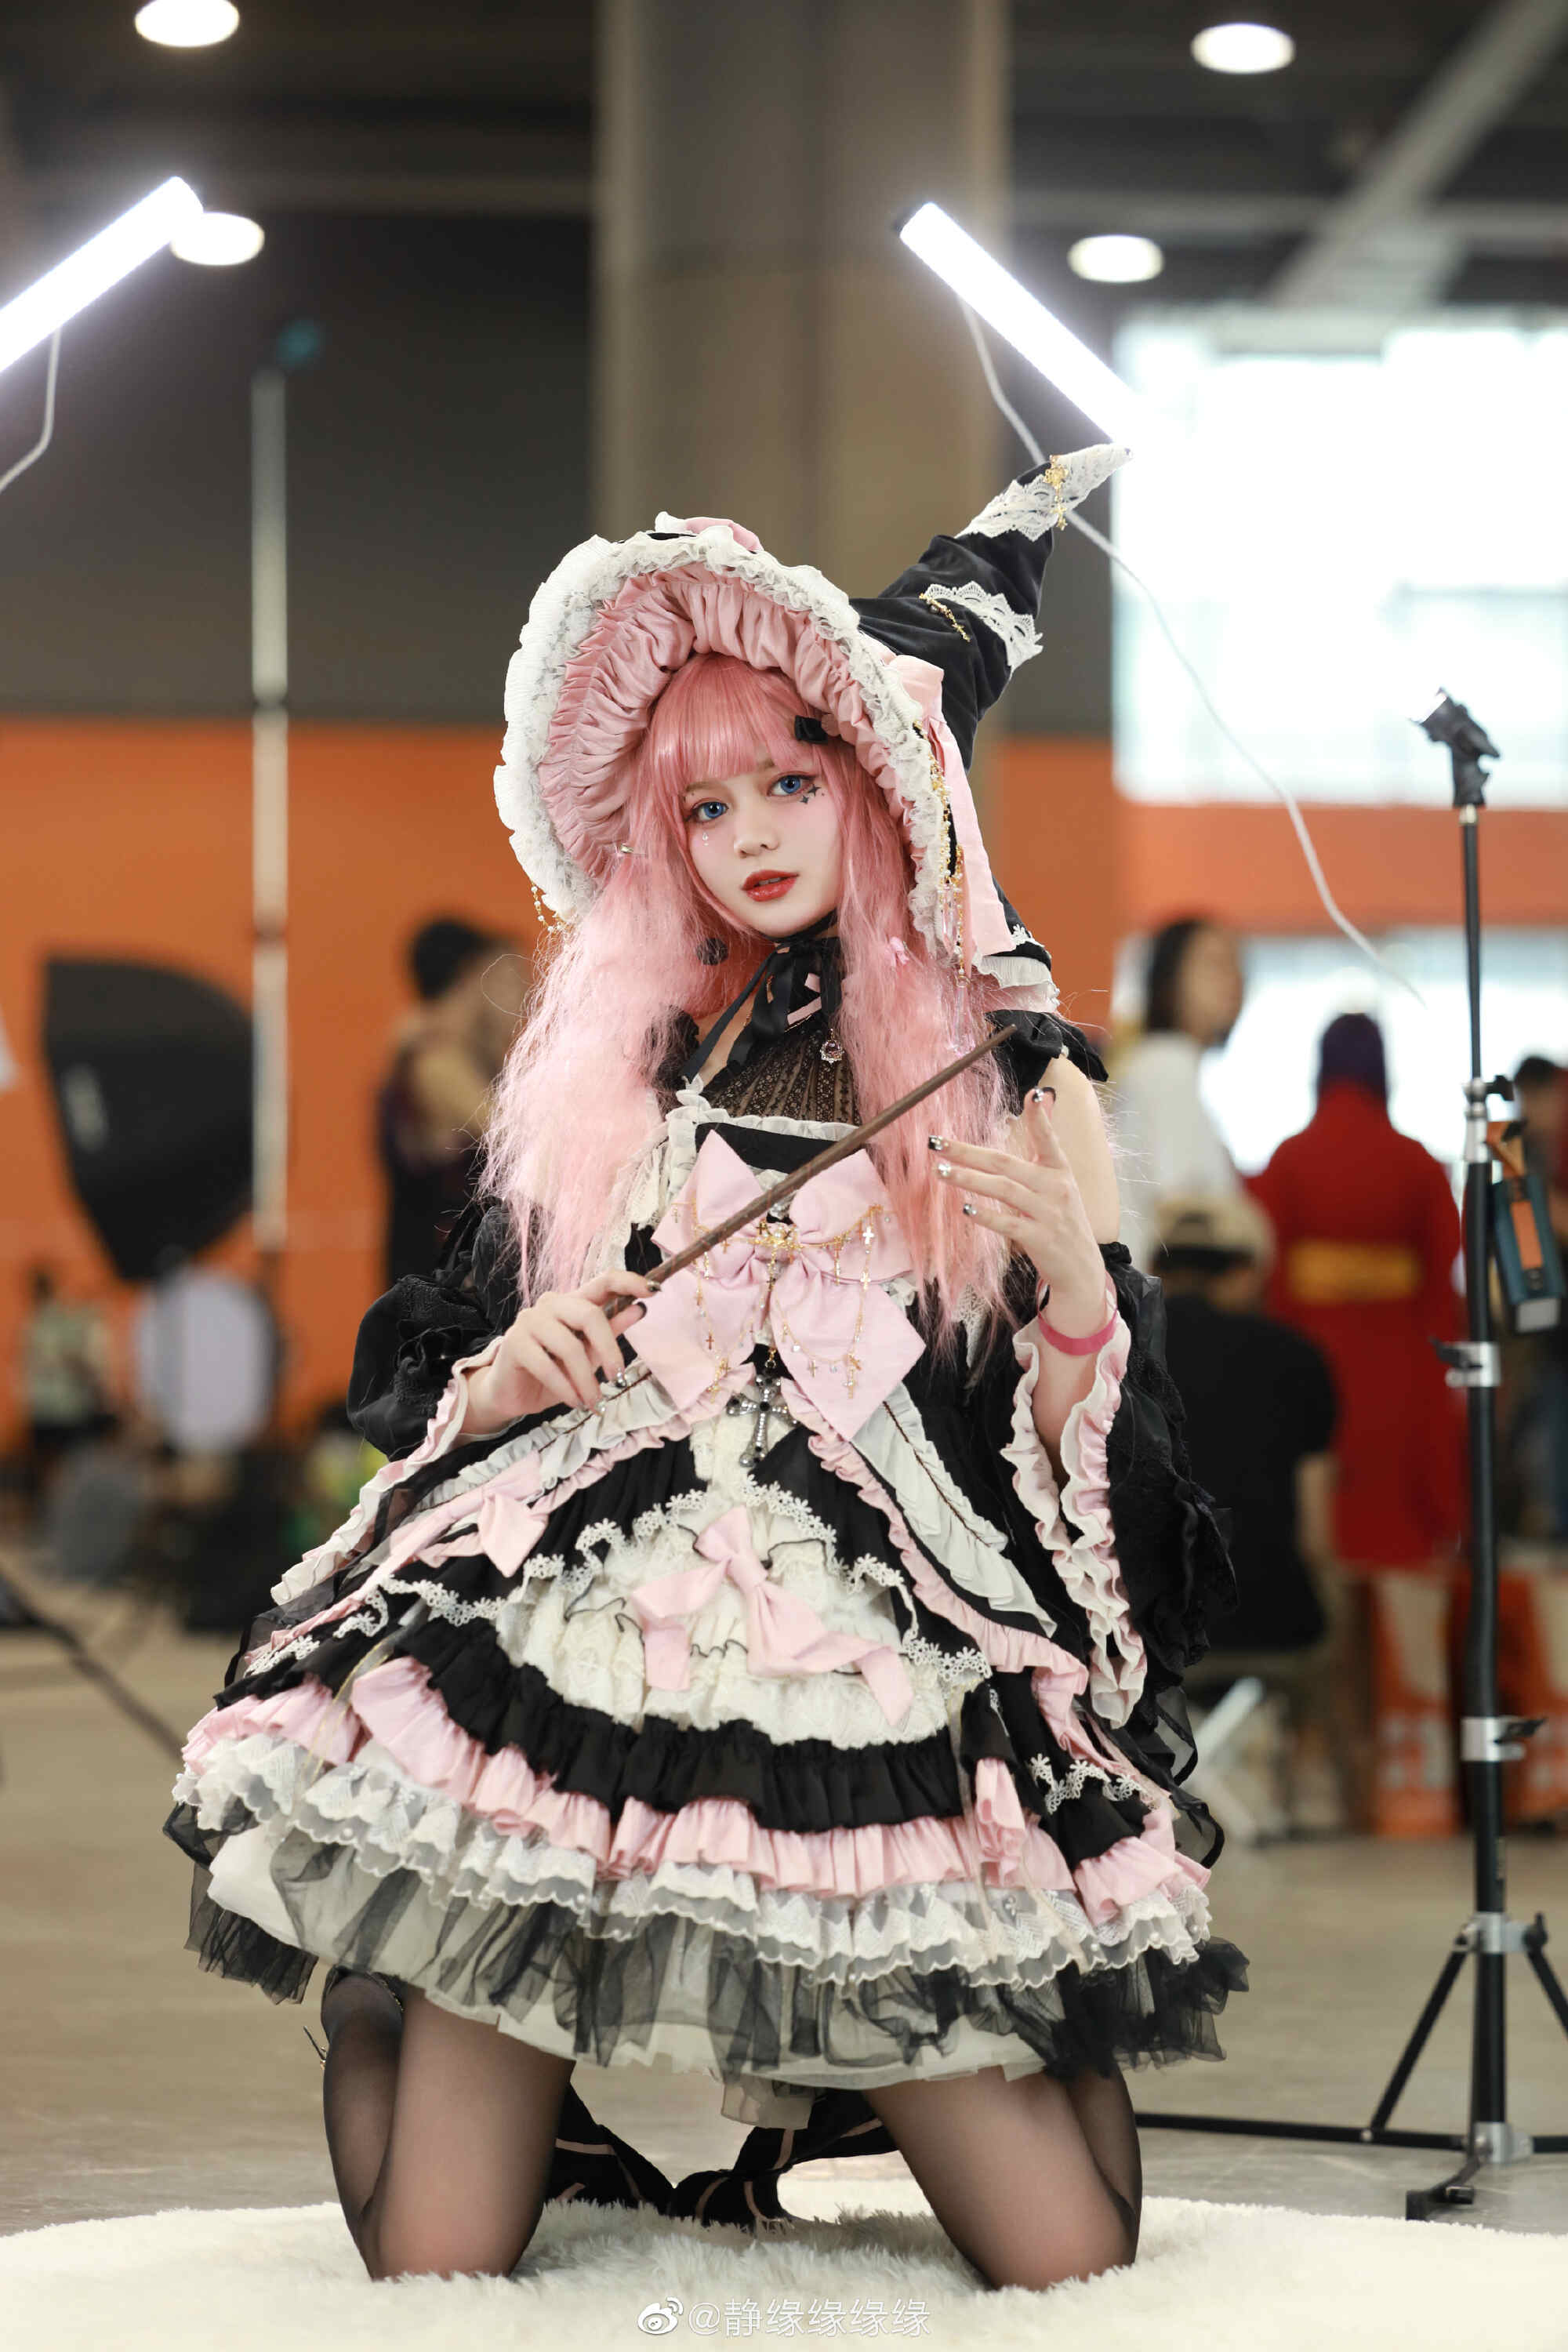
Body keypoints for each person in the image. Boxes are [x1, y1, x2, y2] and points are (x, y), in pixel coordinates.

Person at [163, 450, 1245, 2293]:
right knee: (435, 2258)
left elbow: (1070, 1435)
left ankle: (951, 2033)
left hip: (866, 1623)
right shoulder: (650, 1050)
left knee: (1065, 2255)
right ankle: (399, 1991)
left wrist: (1075, 1294)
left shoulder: (1011, 1064)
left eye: (790, 783)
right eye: (708, 802)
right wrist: (516, 1367)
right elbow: (503, 1347)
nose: (749, 833)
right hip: (585, 1591)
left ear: (882, 788)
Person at [1249, 1012, 1465, 1833]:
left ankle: (1326, 1781)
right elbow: (1443, 1288)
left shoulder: (1288, 1159)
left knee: (1326, 1579)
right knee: (1404, 1586)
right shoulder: (1417, 1163)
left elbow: (1271, 1286)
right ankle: (1414, 1788)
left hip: (1318, 1378)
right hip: (1402, 1384)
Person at [1152, 1192, 1344, 1832]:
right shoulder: (1298, 1356)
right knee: (1328, 1631)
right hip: (1271, 1613)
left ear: (1155, 1267)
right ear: (1244, 1272)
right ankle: (1309, 1794)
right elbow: (1316, 1532)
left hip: (1144, 1619)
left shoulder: (1118, 1351)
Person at [376, 917, 529, 1286]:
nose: (526, 995)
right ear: (472, 977)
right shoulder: (436, 1061)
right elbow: (516, 1138)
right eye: (509, 980)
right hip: (436, 1280)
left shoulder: (454, 1055)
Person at [1109, 918, 1246, 1272]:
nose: (1234, 979)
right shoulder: (1165, 1067)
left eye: (1236, 964)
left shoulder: (1163, 1064)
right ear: (1169, 980)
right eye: (1215, 964)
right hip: (1163, 1290)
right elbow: (1184, 1218)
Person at [19, 1263, 114, 1505]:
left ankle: (63, 1499)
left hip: (60, 1409)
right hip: (58, 1408)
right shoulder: (39, 1322)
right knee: (68, 1465)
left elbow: (78, 1358)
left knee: (67, 1465)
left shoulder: (42, 1322)